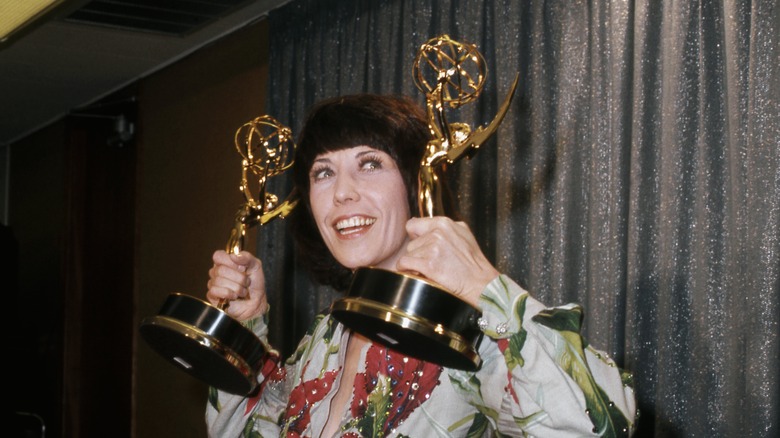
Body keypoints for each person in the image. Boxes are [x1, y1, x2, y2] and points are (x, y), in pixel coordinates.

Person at [205, 94, 637, 437]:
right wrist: (242, 332)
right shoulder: (325, 338)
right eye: (323, 173)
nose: (342, 193)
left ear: (415, 184)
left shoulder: (469, 337)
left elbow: (590, 427)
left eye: (370, 163)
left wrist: (489, 288)